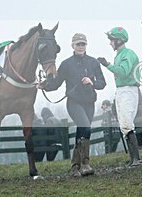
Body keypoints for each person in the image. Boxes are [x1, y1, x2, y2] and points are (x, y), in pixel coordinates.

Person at [41, 33, 106, 176]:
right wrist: (44, 86)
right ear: (73, 46)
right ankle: (85, 164)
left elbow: (102, 83)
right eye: (78, 44)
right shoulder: (66, 64)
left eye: (83, 44)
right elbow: (56, 84)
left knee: (82, 132)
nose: (81, 46)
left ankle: (74, 166)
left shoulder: (93, 62)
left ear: (86, 45)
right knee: (86, 128)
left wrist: (92, 82)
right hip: (73, 102)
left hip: (89, 102)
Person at [97, 26, 142, 167]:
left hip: (129, 90)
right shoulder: (120, 55)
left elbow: (123, 72)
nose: (110, 43)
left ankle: (136, 159)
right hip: (122, 91)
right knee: (124, 125)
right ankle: (132, 158)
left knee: (127, 124)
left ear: (118, 40)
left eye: (111, 40)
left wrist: (107, 65)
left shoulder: (128, 54)